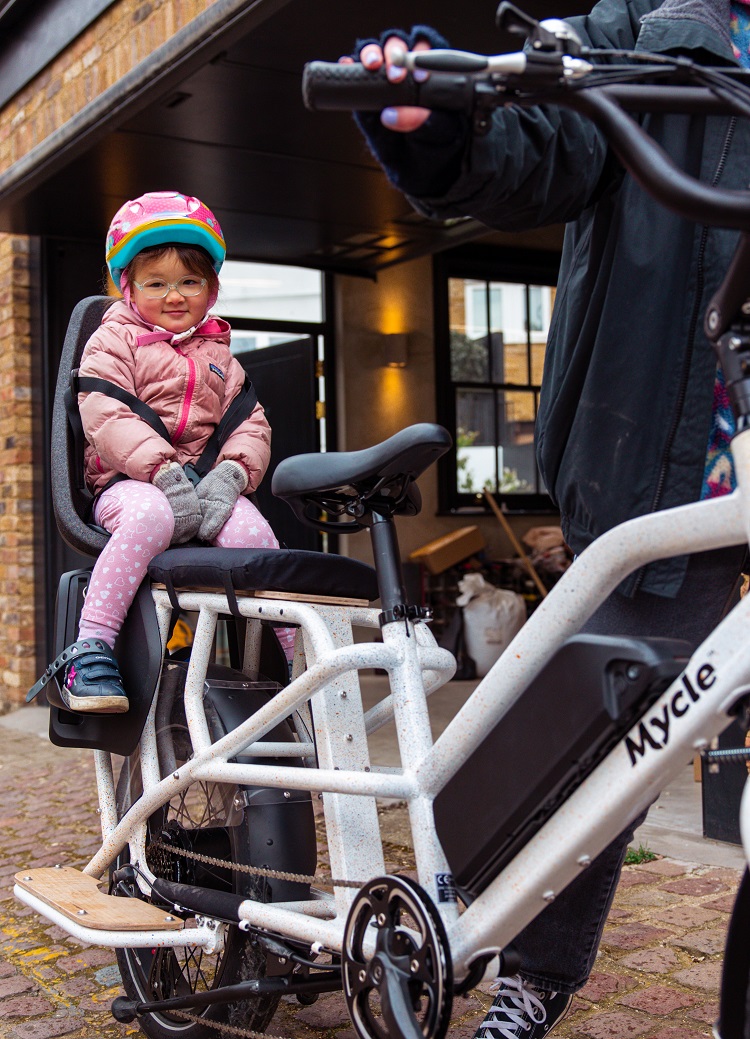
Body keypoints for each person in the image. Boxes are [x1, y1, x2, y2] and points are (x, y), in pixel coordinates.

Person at [344, 1, 750, 1036]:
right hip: (674, 457)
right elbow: (538, 146)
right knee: (609, 740)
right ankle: (529, 971)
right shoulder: (649, 29)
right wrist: (433, 119)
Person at [51, 190, 295, 714]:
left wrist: (230, 474)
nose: (175, 295)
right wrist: (162, 474)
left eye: (190, 281)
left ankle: (298, 654)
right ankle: (90, 648)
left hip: (207, 488)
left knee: (253, 533)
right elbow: (105, 415)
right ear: (128, 287)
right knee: (150, 516)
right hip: (130, 483)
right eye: (156, 283)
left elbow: (250, 424)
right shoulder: (111, 341)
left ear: (211, 290)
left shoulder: (220, 357)